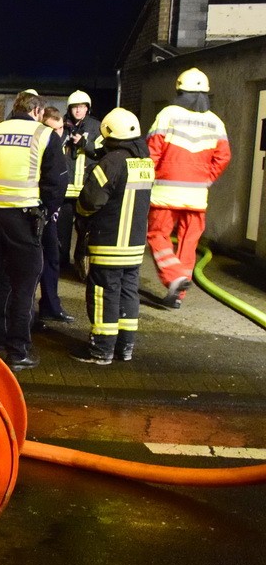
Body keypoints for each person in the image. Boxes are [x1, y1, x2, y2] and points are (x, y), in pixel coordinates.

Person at [0, 91, 67, 371]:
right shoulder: (44, 135)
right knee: (23, 287)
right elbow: (57, 182)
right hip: (25, 221)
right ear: (37, 110)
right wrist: (44, 211)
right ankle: (17, 351)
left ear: (15, 107)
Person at [70, 108, 154, 364]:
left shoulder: (112, 162)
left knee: (104, 293)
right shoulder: (145, 163)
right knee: (129, 293)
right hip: (135, 245)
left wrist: (81, 215)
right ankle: (124, 348)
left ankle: (101, 350)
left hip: (109, 242)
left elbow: (90, 200)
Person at [146, 67, 231, 309]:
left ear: (180, 90)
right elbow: (223, 157)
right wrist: (205, 179)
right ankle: (177, 297)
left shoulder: (168, 114)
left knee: (157, 235)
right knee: (188, 243)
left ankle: (174, 278)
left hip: (165, 193)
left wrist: (146, 180)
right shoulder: (216, 122)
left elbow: (153, 151)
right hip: (197, 196)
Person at [36, 106, 74, 324]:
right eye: (53, 128)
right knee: (33, 264)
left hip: (51, 212)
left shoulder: (59, 146)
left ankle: (51, 306)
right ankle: (28, 314)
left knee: (52, 259)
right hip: (37, 211)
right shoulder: (39, 145)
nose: (58, 133)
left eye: (60, 128)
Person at [59, 90, 102, 278]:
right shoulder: (61, 125)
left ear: (87, 109)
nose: (78, 110)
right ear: (70, 108)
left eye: (82, 107)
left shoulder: (96, 127)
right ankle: (61, 263)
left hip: (85, 189)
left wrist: (85, 143)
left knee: (84, 231)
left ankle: (80, 263)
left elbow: (102, 152)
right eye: (75, 107)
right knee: (62, 230)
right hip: (65, 190)